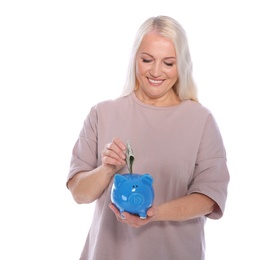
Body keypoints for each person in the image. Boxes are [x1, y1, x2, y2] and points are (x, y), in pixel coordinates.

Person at [67, 15, 230, 260]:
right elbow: (79, 193)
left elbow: (210, 198)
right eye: (147, 60)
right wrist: (106, 170)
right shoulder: (102, 113)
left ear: (181, 65)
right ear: (135, 59)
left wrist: (154, 213)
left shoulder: (201, 120)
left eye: (168, 63)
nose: (156, 71)